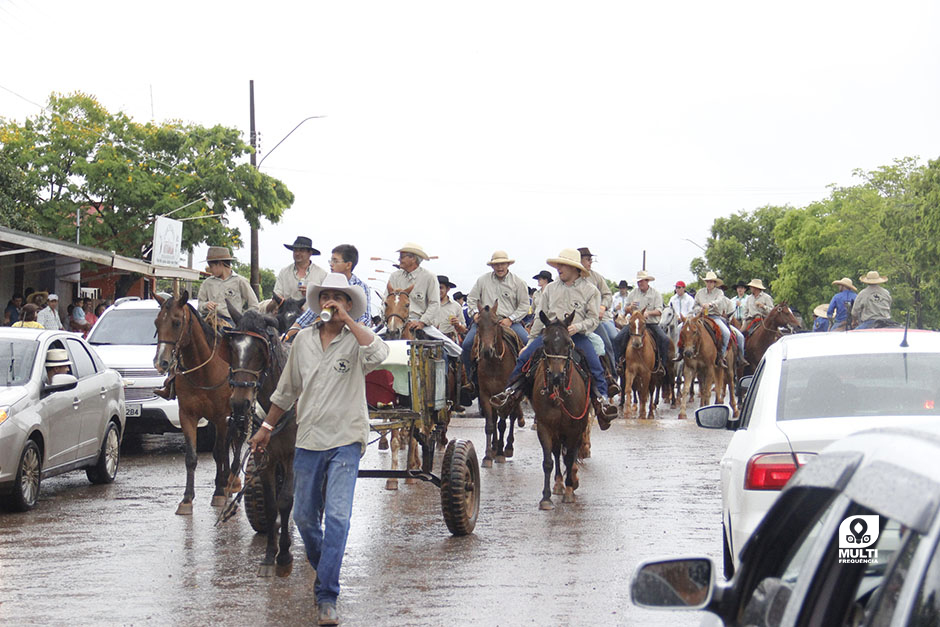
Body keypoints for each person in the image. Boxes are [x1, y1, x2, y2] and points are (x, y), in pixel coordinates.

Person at [248, 273, 389, 626]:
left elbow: (380, 353)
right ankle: (325, 564)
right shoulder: (302, 342)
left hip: (346, 440)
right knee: (304, 519)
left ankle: (327, 595)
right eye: (326, 297)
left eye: (338, 298)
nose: (330, 303)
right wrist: (266, 428)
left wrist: (350, 322)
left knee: (338, 517)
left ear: (347, 303)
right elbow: (285, 391)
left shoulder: (356, 340)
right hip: (308, 439)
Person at [490, 248, 618, 428]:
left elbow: (593, 318)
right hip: (549, 336)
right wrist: (531, 341)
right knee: (524, 359)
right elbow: (539, 316)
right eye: (558, 265)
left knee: (595, 364)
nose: (559, 268)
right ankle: (510, 393)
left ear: (575, 268)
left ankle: (602, 401)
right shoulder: (549, 289)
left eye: (563, 265)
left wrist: (578, 327)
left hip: (576, 336)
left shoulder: (590, 291)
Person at [461, 251, 530, 390]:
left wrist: (510, 319)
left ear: (508, 264)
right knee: (467, 345)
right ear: (492, 266)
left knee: (528, 343)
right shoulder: (482, 281)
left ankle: (526, 381)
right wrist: (475, 314)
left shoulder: (518, 282)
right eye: (497, 264)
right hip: (485, 322)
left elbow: (524, 305)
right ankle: (472, 381)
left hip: (509, 322)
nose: (500, 267)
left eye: (502, 264)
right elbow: (472, 299)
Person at [285, 245, 372, 340]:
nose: (331, 264)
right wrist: (286, 336)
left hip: (351, 339)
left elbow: (364, 319)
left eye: (335, 261)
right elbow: (307, 317)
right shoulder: (327, 285)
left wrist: (352, 337)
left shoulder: (361, 288)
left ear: (348, 265)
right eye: (331, 260)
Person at [612, 271, 671, 371]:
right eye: (638, 281)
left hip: (651, 323)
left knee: (664, 339)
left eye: (642, 281)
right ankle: (618, 363)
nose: (640, 283)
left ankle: (662, 365)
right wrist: (630, 307)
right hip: (635, 324)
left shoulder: (655, 294)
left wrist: (649, 313)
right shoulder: (633, 293)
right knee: (617, 339)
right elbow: (625, 309)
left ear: (647, 281)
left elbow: (660, 310)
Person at [578, 247, 619, 372]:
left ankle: (612, 375)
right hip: (574, 321)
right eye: (587, 259)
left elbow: (607, 294)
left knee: (610, 340)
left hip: (595, 320)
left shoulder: (597, 277)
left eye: (591, 260)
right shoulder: (569, 278)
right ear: (579, 260)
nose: (590, 262)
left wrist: (602, 307)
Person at [386, 242, 440, 335]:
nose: (399, 259)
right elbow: (386, 299)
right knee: (372, 341)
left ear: (413, 259)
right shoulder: (394, 276)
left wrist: (422, 322)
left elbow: (434, 303)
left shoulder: (429, 277)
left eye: (402, 257)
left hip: (420, 322)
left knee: (448, 346)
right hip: (394, 321)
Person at [197, 246, 259, 323]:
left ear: (220, 264)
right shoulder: (207, 283)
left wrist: (243, 319)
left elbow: (254, 305)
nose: (210, 270)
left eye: (211, 266)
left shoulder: (240, 281)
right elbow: (199, 305)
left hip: (232, 322)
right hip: (210, 320)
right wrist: (205, 305)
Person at [691, 272, 732, 367]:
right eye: (707, 282)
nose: (709, 284)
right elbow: (695, 306)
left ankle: (721, 355)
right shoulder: (700, 292)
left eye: (711, 282)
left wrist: (709, 304)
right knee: (683, 328)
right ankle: (682, 352)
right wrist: (700, 309)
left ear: (714, 283)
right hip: (700, 316)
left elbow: (719, 301)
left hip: (714, 316)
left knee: (726, 333)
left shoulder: (719, 292)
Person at [274, 236, 327, 302]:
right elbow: (277, 294)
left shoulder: (322, 274)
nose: (297, 253)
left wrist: (312, 294)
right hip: (288, 311)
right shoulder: (284, 272)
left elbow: (327, 298)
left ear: (310, 253)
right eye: (295, 250)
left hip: (313, 312)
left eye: (301, 250)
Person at [435, 275, 466, 341]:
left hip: (450, 341)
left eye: (441, 288)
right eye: (436, 288)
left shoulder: (456, 306)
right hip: (430, 341)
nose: (438, 291)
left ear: (448, 289)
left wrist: (458, 325)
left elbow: (464, 329)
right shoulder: (428, 305)